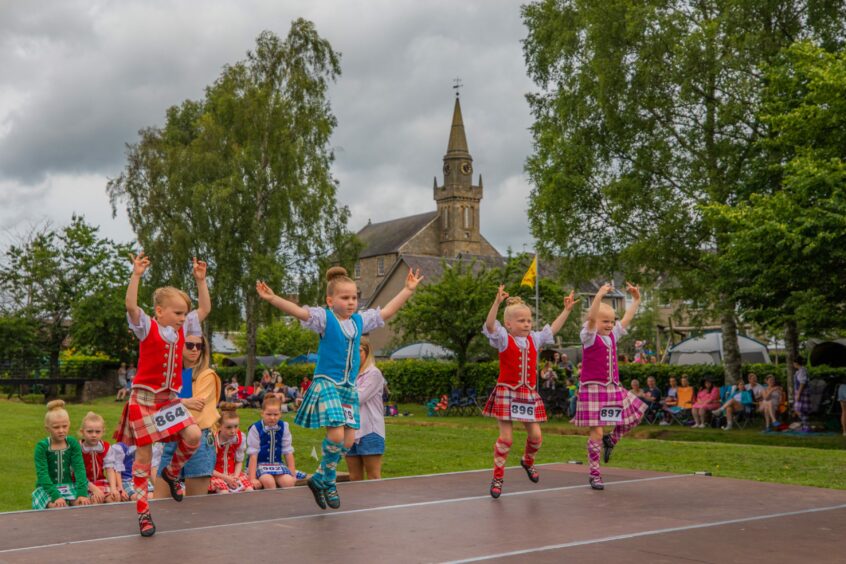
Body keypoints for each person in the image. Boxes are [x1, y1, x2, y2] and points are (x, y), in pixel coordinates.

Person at [257, 265, 423, 510]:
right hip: (327, 383)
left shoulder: (358, 321)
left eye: (354, 297)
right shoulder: (325, 319)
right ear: (330, 300)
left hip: (347, 387)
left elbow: (385, 312)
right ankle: (330, 480)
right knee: (335, 434)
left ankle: (322, 476)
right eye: (345, 298)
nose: (351, 302)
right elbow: (300, 313)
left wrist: (407, 290)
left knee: (347, 440)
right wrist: (273, 298)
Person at [114, 252, 210, 537]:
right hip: (144, 398)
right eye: (177, 313)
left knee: (193, 436)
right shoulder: (147, 327)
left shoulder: (184, 330)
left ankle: (171, 471)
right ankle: (143, 511)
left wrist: (201, 281)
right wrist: (137, 275)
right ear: (159, 311)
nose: (183, 318)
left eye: (184, 314)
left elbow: (204, 309)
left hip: (167, 399)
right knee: (143, 455)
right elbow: (131, 306)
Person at [483, 286, 577, 498]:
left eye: (528, 320)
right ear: (508, 324)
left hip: (527, 395)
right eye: (521, 321)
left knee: (536, 436)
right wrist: (496, 303)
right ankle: (498, 477)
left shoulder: (534, 339)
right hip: (507, 392)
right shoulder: (504, 339)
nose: (526, 324)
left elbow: (552, 329)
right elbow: (490, 326)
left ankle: (528, 460)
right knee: (506, 438)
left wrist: (567, 310)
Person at [571, 282, 646, 490]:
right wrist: (598, 296)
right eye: (605, 321)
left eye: (612, 322)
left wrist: (637, 299)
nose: (610, 325)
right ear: (595, 321)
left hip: (613, 387)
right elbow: (591, 317)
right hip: (593, 388)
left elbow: (627, 319)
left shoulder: (613, 335)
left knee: (637, 412)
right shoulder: (588, 336)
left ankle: (611, 440)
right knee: (596, 431)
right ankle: (595, 473)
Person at [155, 333, 221, 498]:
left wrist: (170, 403)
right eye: (189, 345)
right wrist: (184, 402)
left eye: (199, 346)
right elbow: (155, 404)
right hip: (173, 440)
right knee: (159, 502)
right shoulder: (169, 374)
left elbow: (196, 410)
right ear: (179, 347)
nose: (194, 349)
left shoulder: (207, 375)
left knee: (195, 505)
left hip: (199, 440)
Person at [32, 400, 91, 510]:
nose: (61, 430)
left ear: (69, 424)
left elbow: (79, 469)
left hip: (68, 485)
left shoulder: (72, 443)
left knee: (82, 504)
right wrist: (56, 497)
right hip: (46, 488)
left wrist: (82, 493)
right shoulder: (42, 446)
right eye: (56, 427)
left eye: (65, 426)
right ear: (47, 428)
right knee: (56, 507)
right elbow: (42, 474)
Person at [345, 337, 387, 481]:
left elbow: (358, 398)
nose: (354, 356)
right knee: (354, 477)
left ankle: (376, 503)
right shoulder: (348, 375)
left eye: (359, 351)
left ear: (367, 352)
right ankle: (360, 504)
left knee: (373, 476)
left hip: (370, 431)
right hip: (350, 431)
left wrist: (336, 393)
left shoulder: (373, 374)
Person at [247, 395, 298, 490]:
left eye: (276, 414)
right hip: (259, 464)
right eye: (269, 414)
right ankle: (271, 503)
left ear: (280, 414)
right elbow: (253, 455)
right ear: (262, 413)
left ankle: (284, 504)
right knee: (269, 482)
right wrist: (252, 478)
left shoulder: (284, 426)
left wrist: (293, 474)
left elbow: (288, 452)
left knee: (289, 482)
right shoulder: (255, 428)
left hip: (277, 464)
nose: (272, 418)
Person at [209, 403, 254, 494]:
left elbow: (239, 461)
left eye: (236, 426)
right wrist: (226, 478)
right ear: (219, 426)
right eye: (229, 427)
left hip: (233, 473)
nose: (233, 431)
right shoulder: (213, 439)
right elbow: (208, 467)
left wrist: (235, 477)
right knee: (224, 492)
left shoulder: (239, 438)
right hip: (216, 475)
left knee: (250, 490)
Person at [78, 411, 114, 503]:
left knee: (114, 498)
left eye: (97, 432)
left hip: (100, 481)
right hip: (83, 484)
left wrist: (113, 489)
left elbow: (110, 470)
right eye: (89, 431)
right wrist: (94, 490)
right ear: (82, 432)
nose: (94, 435)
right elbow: (78, 474)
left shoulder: (106, 447)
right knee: (95, 500)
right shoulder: (78, 448)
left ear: (103, 432)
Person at [793, 357, 811, 432]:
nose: (793, 364)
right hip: (801, 392)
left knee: (798, 409)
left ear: (796, 363)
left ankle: (806, 426)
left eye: (793, 363)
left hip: (802, 392)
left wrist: (798, 394)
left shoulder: (802, 371)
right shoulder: (800, 371)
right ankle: (805, 426)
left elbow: (802, 383)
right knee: (802, 410)